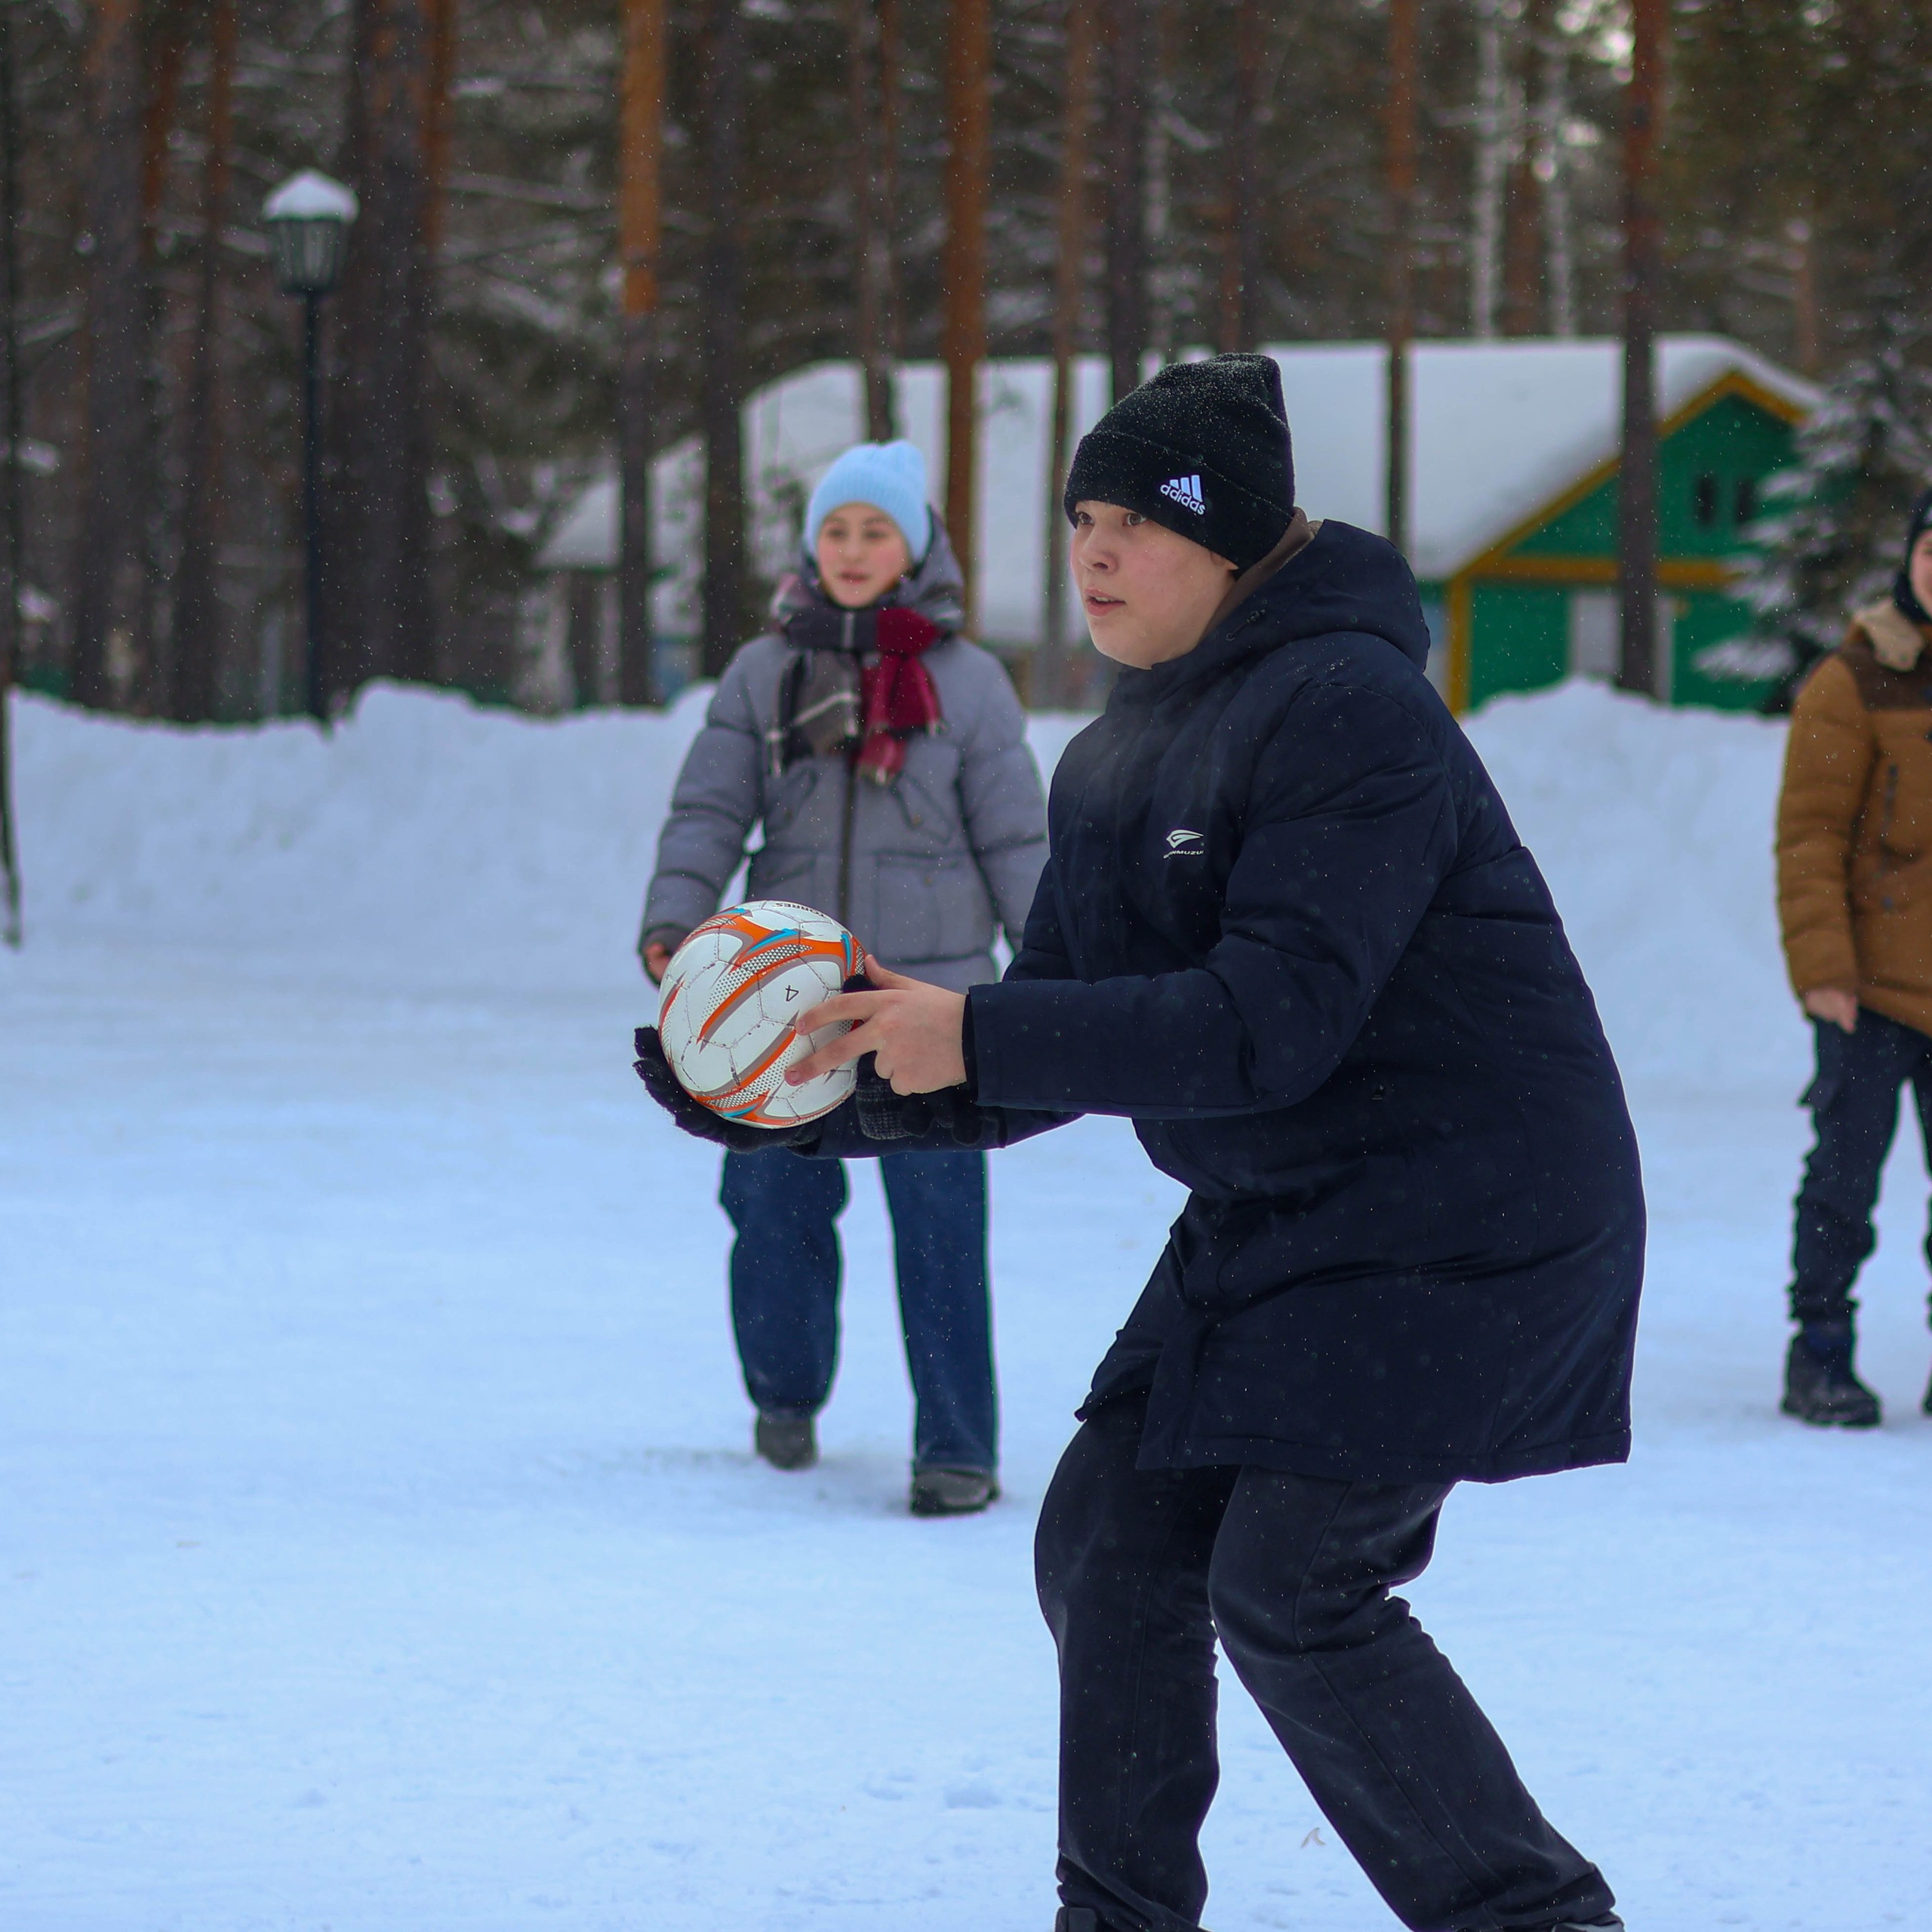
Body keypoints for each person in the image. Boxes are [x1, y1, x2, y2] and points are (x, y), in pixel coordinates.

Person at [635, 356, 1641, 1932]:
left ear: (1235, 547)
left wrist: (968, 1026)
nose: (1094, 552)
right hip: (1284, 1207)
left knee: (1293, 1583)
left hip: (1463, 1211)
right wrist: (803, 1091)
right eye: (1080, 518)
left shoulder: (1350, 712)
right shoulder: (1117, 753)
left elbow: (1266, 1019)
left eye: (1137, 525)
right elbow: (1052, 1037)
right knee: (1104, 1543)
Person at [638, 438, 1047, 1515]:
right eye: (836, 530)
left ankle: (957, 1450)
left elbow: (1014, 840)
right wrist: (677, 922)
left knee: (942, 1231)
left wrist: (1052, 968)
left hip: (931, 1001)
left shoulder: (969, 683)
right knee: (770, 1205)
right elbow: (710, 810)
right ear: (811, 545)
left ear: (915, 546)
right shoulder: (766, 671)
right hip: (789, 1006)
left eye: (876, 531)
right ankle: (784, 1391)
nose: (854, 550)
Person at [1774, 487, 1932, 1428]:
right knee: (1844, 1183)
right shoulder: (1854, 677)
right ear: (1908, 561)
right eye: (1929, 549)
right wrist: (1824, 969)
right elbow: (1809, 836)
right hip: (1868, 990)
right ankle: (1820, 1353)